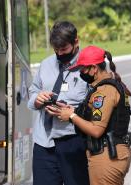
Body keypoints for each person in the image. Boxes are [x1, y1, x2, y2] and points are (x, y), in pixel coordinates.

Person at [56, 45, 131, 185]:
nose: (81, 73)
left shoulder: (104, 91)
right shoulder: (114, 84)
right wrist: (73, 111)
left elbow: (96, 130)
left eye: (83, 69)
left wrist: (71, 117)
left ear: (94, 68)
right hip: (114, 153)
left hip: (107, 157)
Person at [27, 21, 89, 185]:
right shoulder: (46, 64)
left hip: (74, 143)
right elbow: (32, 92)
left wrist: (72, 113)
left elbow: (99, 108)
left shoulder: (89, 66)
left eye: (64, 49)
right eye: (56, 50)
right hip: (44, 143)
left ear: (76, 41)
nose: (60, 54)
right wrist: (38, 98)